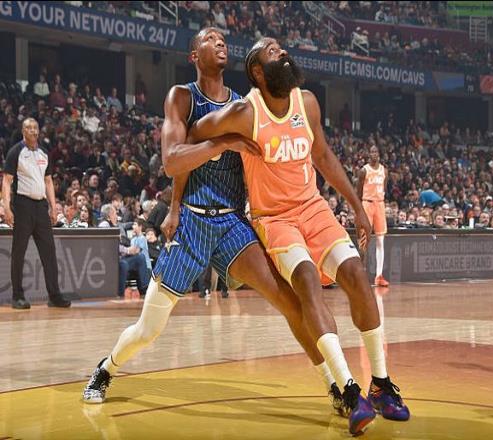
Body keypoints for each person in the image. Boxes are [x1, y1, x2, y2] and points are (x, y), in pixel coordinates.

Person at [83, 29, 342, 417]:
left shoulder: (243, 106)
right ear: (194, 55)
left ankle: (334, 386)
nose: (220, 42)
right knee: (149, 330)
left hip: (232, 224)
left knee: (290, 303)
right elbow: (172, 162)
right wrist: (215, 152)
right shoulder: (182, 97)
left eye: (222, 39)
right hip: (192, 222)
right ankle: (106, 368)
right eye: (210, 38)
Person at [186, 38, 410, 434]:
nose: (284, 53)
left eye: (282, 48)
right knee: (306, 281)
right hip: (275, 219)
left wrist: (357, 206)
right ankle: (349, 391)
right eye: (273, 51)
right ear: (258, 71)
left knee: (357, 275)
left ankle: (380, 384)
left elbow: (322, 156)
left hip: (314, 208)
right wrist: (227, 141)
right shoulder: (245, 112)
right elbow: (196, 129)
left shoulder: (306, 102)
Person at [1, 118, 71, 309]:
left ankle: (54, 296)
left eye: (35, 128)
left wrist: (53, 206)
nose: (32, 131)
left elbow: (48, 181)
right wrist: (7, 208)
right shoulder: (16, 152)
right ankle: (17, 296)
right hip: (22, 205)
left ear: (38, 131)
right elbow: (7, 181)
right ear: (23, 131)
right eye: (29, 128)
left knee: (49, 252)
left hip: (41, 207)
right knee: (19, 252)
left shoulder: (44, 153)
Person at [357, 145, 389, 287]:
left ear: (379, 154)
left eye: (376, 151)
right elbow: (358, 191)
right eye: (371, 152)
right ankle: (360, 275)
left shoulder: (384, 171)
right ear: (368, 154)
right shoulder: (364, 171)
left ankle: (379, 276)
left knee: (380, 240)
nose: (374, 154)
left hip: (380, 204)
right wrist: (358, 209)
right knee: (364, 240)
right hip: (367, 204)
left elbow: (384, 188)